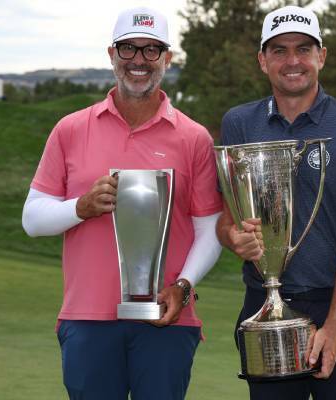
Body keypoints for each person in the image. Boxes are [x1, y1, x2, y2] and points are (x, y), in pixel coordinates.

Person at [21, 7, 223, 400]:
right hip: (87, 317)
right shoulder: (70, 129)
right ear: (112, 54)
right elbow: (32, 218)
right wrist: (80, 207)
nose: (139, 61)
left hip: (168, 317)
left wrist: (184, 286)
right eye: (129, 49)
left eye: (151, 51)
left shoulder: (194, 137)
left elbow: (209, 229)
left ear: (167, 58)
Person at [216, 6, 336, 399]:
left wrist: (333, 327)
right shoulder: (239, 123)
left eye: (303, 49)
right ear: (263, 60)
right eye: (279, 50)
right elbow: (226, 221)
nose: (292, 61)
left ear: (321, 56)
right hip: (264, 303)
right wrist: (234, 238)